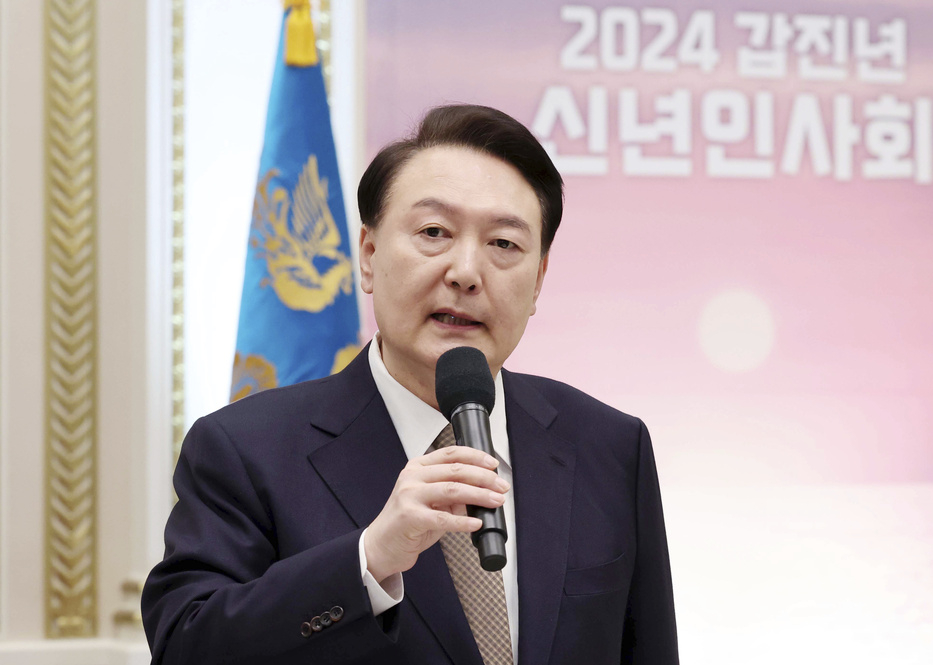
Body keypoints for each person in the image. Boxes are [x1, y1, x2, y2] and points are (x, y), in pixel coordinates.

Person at [142, 104, 679, 665]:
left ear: (539, 280)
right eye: (433, 232)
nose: (466, 273)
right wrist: (367, 560)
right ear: (368, 256)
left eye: (503, 244)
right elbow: (185, 644)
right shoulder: (246, 450)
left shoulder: (608, 447)